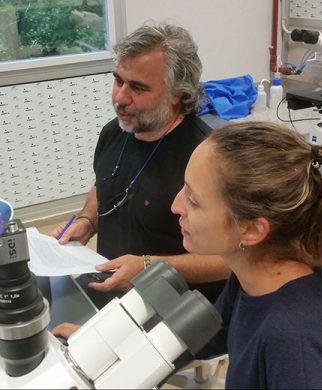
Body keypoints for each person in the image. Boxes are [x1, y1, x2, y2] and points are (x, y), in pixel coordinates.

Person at [167, 121, 322, 388]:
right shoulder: (251, 277)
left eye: (193, 199)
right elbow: (205, 337)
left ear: (252, 229)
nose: (176, 206)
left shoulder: (296, 344)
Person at [50, 22, 229, 302]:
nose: (120, 97)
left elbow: (227, 262)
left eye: (137, 87)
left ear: (176, 95)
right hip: (112, 296)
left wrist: (148, 267)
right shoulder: (115, 131)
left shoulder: (207, 158)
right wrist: (87, 220)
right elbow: (105, 183)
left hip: (174, 316)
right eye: (118, 80)